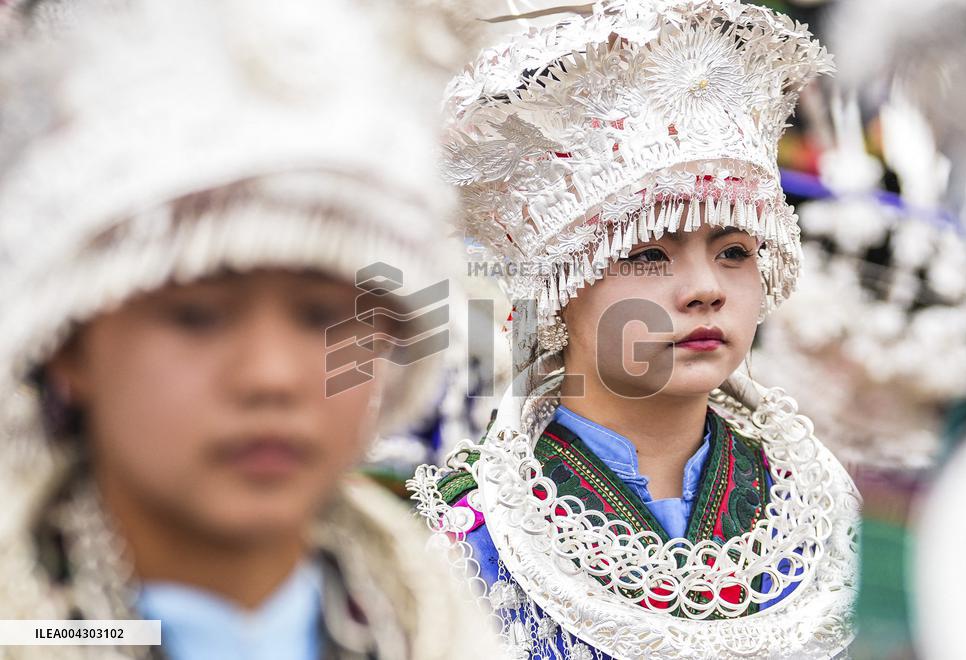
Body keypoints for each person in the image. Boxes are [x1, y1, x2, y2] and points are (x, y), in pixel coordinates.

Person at [0, 0, 497, 658]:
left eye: (322, 316)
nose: (271, 376)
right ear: (69, 345)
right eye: (197, 315)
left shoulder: (452, 632)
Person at [409, 1, 860, 658]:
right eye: (648, 252)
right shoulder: (479, 541)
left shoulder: (818, 513)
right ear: (558, 285)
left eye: (735, 251)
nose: (706, 287)